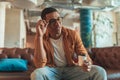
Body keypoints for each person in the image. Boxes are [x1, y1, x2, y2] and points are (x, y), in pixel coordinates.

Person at [31, 7, 107, 80]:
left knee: (99, 71)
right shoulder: (41, 37)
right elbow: (40, 65)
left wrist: (86, 63)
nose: (58, 24)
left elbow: (83, 53)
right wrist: (39, 36)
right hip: (52, 70)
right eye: (52, 21)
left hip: (71, 69)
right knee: (36, 74)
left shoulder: (72, 34)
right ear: (45, 23)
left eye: (59, 19)